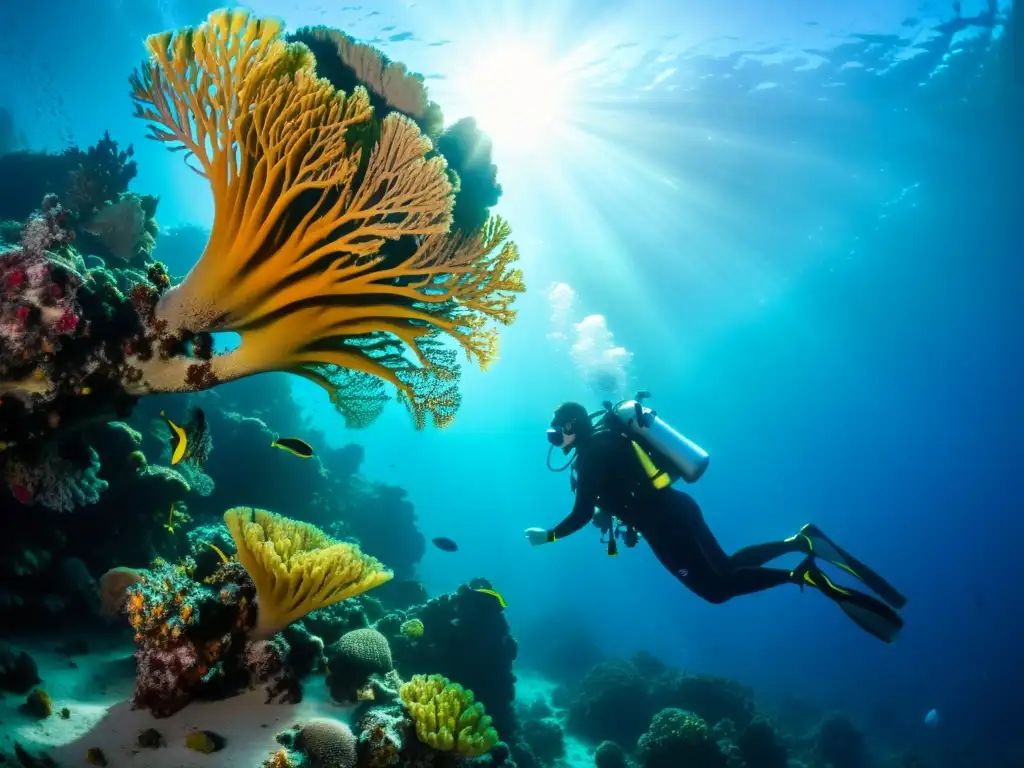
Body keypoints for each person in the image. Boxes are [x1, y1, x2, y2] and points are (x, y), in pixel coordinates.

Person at [525, 401, 907, 643]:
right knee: (722, 569)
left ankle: (801, 575)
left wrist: (550, 536)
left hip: (665, 527)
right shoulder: (609, 442)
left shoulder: (592, 455)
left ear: (573, 426)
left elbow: (581, 513)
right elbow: (615, 495)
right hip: (677, 509)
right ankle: (799, 542)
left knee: (715, 590)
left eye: (555, 432)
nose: (553, 440)